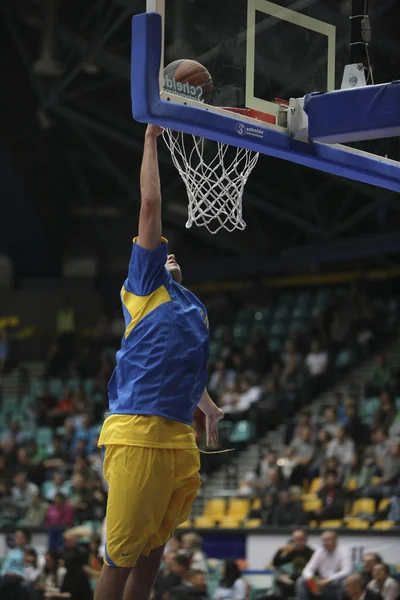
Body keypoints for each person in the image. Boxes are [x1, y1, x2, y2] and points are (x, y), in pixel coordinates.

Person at [94, 124, 224, 600]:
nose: (170, 256)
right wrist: (151, 140)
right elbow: (150, 206)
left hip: (177, 437)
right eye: (163, 252)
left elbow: (188, 368)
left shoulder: (195, 308)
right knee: (121, 557)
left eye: (174, 257)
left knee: (152, 555)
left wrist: (207, 406)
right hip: (138, 430)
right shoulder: (146, 286)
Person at [297, 530, 351, 600]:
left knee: (345, 583)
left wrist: (328, 580)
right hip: (320, 583)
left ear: (336, 540)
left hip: (336, 583)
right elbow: (307, 569)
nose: (325, 543)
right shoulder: (319, 551)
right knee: (301, 581)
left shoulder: (344, 552)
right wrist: (311, 579)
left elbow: (347, 571)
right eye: (324, 540)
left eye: (328, 540)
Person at [272, 530, 314, 599]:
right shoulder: (294, 552)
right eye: (295, 539)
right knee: (281, 583)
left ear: (305, 539)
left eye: (300, 539)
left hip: (307, 582)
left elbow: (311, 573)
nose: (297, 542)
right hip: (295, 580)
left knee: (291, 586)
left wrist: (290, 576)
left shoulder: (311, 553)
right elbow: (276, 563)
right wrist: (280, 550)